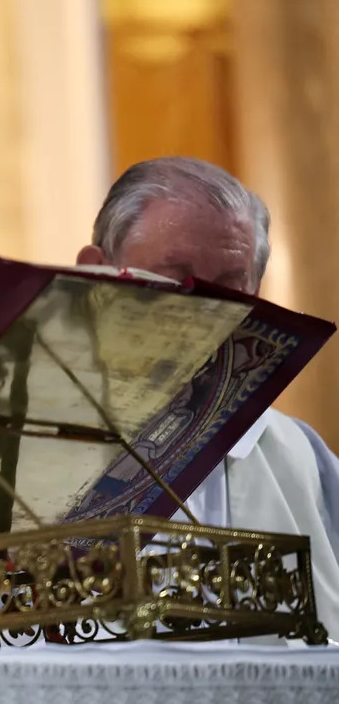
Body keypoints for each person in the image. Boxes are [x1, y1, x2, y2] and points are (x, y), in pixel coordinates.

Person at [74, 156, 339, 639]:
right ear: (99, 278)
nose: (205, 316)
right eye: (174, 281)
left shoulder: (302, 456)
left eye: (230, 290)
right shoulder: (17, 442)